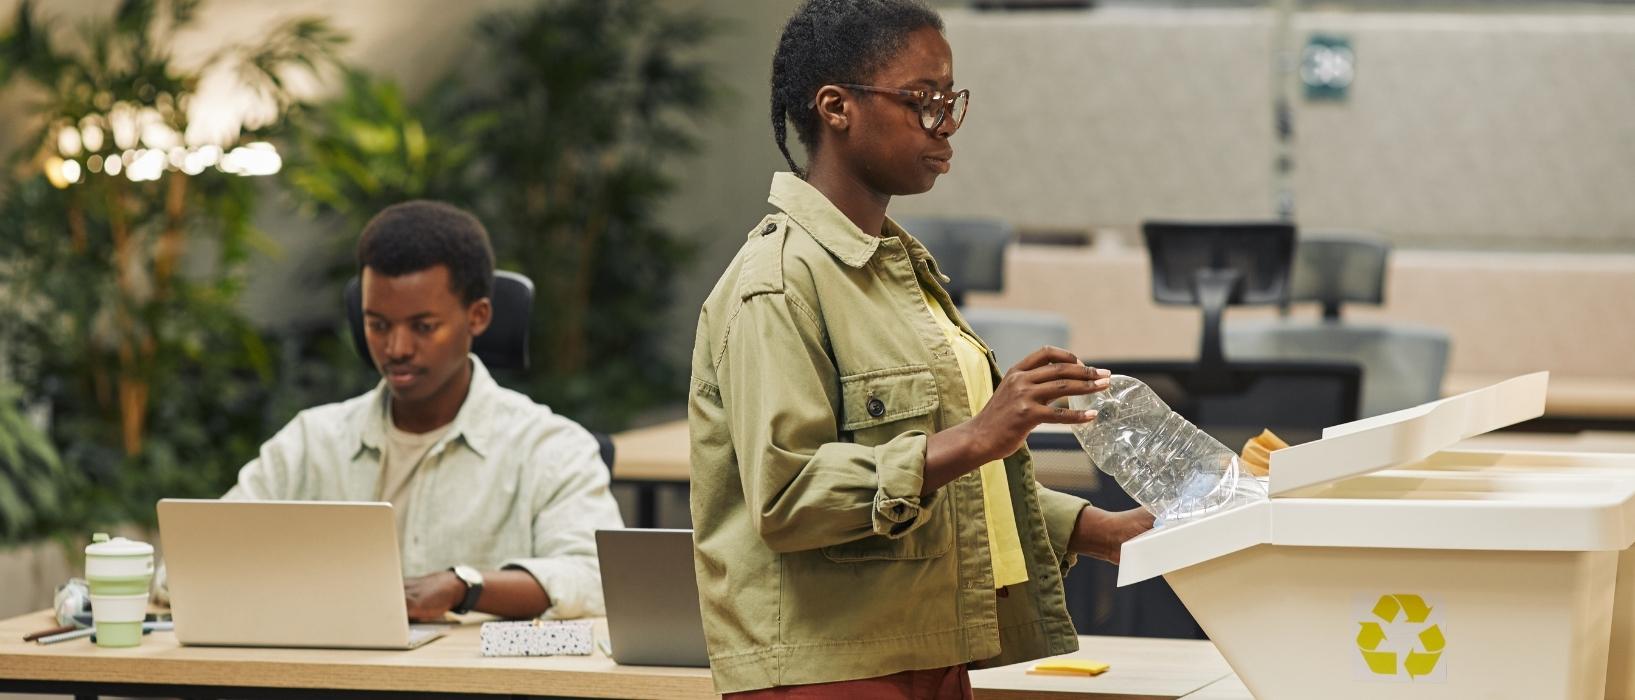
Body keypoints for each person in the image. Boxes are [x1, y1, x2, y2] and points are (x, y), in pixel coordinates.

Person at [688, 1, 1154, 696]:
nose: (944, 127)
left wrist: (1095, 530)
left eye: (949, 101)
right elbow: (789, 497)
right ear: (835, 108)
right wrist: (976, 438)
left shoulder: (895, 269)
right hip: (831, 667)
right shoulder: (777, 284)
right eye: (921, 101)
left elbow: (935, 479)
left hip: (928, 651)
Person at [176, 200, 624, 621]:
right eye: (378, 325)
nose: (396, 348)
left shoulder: (552, 447)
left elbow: (599, 581)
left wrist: (464, 587)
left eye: (423, 327)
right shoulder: (312, 441)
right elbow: (199, 565)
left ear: (479, 316)